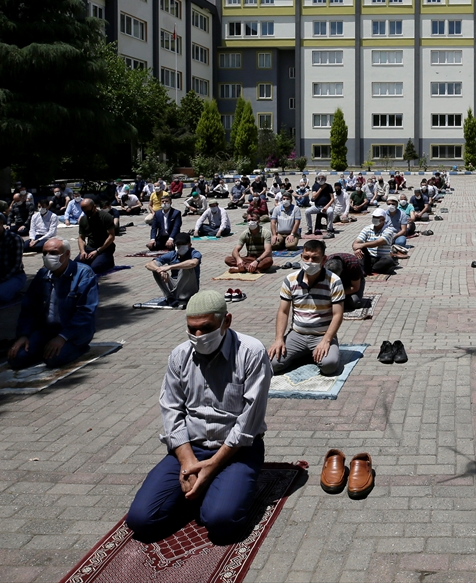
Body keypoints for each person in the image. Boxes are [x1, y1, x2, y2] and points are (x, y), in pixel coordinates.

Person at [125, 291, 272, 545]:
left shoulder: (251, 353)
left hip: (237, 450)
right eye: (192, 329)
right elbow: (171, 410)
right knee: (140, 520)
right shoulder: (180, 355)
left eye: (206, 328)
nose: (198, 337)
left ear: (226, 321)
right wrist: (188, 463)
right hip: (190, 449)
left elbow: (247, 423)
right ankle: (205, 490)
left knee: (220, 521)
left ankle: (213, 489)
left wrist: (211, 467)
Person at [8, 238, 99, 369]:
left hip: (73, 333)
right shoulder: (43, 274)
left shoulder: (84, 274)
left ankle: (80, 348)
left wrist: (63, 337)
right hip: (46, 330)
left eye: (53, 253)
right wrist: (23, 335)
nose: (48, 257)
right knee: (16, 358)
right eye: (45, 253)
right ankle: (42, 347)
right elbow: (28, 307)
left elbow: (86, 311)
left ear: (67, 254)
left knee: (53, 359)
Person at [269, 240, 345, 377]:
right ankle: (306, 353)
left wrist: (326, 340)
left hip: (322, 334)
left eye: (315, 258)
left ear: (324, 259)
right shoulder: (290, 280)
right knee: (272, 363)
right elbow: (283, 311)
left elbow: (338, 315)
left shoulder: (334, 281)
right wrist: (279, 339)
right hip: (297, 334)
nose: (310, 261)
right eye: (306, 257)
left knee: (329, 365)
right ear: (301, 257)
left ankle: (315, 352)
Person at [146, 233, 201, 309]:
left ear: (189, 245)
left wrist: (170, 267)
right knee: (156, 269)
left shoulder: (194, 253)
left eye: (183, 244)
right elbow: (149, 264)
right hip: (174, 286)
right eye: (178, 244)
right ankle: (170, 298)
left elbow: (193, 263)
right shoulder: (172, 254)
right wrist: (159, 270)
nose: (180, 247)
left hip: (189, 288)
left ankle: (181, 297)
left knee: (186, 266)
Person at [77, 198, 117, 276]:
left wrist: (98, 251)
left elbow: (111, 236)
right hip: (90, 248)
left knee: (94, 268)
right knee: (76, 265)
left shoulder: (106, 217)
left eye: (88, 211)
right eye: (84, 211)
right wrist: (82, 251)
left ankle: (108, 261)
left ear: (94, 207)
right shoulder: (83, 219)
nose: (86, 213)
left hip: (104, 248)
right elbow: (81, 237)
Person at [353, 208, 397, 275]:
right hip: (369, 257)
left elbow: (378, 242)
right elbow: (356, 242)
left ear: (383, 219)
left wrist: (362, 245)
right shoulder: (367, 228)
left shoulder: (389, 230)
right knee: (360, 251)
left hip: (381, 258)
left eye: (377, 217)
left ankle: (368, 269)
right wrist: (357, 249)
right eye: (374, 217)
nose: (375, 219)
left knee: (389, 260)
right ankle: (365, 269)